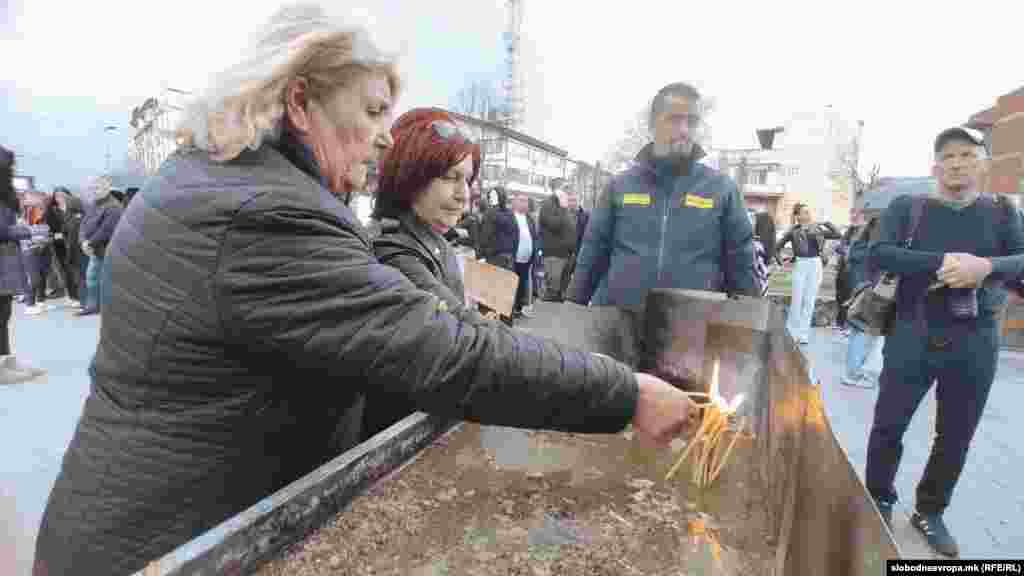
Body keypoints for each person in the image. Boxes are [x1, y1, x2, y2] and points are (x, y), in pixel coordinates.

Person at [32, 5, 697, 574]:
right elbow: (446, 352)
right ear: (299, 101)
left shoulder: (212, 177)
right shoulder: (265, 214)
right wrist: (624, 391)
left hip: (143, 524)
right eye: (374, 110)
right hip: (167, 542)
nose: (385, 136)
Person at [864, 127, 1024, 557]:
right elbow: (877, 253)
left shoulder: (1004, 213)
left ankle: (929, 511)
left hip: (976, 339)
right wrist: (944, 264)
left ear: (983, 163)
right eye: (948, 156)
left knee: (956, 434)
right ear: (935, 165)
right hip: (912, 332)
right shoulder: (907, 207)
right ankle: (877, 497)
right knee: (888, 425)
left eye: (967, 155)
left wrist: (983, 267)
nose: (957, 163)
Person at [571, 81, 758, 368]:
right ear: (652, 125)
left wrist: (749, 335)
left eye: (691, 121)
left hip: (691, 343)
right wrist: (571, 313)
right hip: (618, 337)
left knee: (683, 413)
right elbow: (591, 257)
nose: (684, 130)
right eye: (674, 119)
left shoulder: (721, 189)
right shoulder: (620, 187)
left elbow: (742, 268)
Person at [364, 107, 487, 439]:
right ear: (410, 176)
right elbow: (464, 333)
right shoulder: (393, 251)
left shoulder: (430, 240)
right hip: (397, 433)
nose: (464, 194)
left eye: (468, 179)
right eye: (450, 177)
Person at [0, 145, 46, 383]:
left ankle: (6, 360)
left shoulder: (5, 194)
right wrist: (25, 231)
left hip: (6, 256)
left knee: (4, 311)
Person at [776, 203, 841, 345]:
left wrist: (825, 222)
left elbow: (837, 234)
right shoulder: (793, 231)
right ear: (797, 215)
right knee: (797, 300)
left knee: (809, 301)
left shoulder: (817, 229)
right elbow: (777, 247)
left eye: (808, 211)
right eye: (804, 212)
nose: (808, 214)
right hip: (800, 264)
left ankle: (803, 334)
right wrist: (782, 262)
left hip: (815, 264)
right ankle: (791, 333)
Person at [840, 212, 883, 388]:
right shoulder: (872, 250)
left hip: (859, 292)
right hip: (868, 292)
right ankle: (854, 374)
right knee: (862, 335)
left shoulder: (859, 247)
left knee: (860, 334)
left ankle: (854, 372)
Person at [76, 175, 124, 316]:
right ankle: (94, 306)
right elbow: (83, 225)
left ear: (107, 188)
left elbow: (106, 230)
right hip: (94, 249)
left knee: (100, 278)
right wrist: (83, 241)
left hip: (107, 249)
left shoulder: (114, 206)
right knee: (93, 277)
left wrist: (88, 243)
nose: (95, 191)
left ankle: (100, 307)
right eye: (93, 188)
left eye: (98, 187)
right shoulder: (94, 204)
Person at [539, 177, 577, 302]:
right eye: (564, 188)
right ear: (556, 190)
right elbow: (553, 225)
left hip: (567, 256)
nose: (567, 191)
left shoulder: (564, 206)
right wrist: (562, 208)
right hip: (554, 256)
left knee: (562, 294)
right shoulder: (547, 204)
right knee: (552, 293)